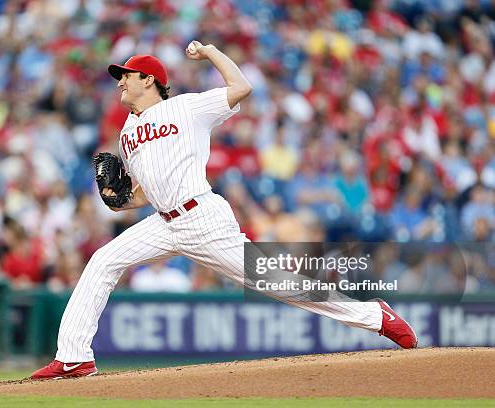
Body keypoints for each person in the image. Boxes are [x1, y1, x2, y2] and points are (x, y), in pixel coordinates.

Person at [31, 41, 418, 380]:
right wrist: (118, 199)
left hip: (203, 217)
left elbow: (242, 87)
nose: (120, 82)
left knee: (276, 283)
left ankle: (374, 316)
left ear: (149, 79)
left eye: (127, 75)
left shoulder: (188, 108)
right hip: (163, 222)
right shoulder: (127, 133)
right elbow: (143, 193)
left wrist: (210, 52)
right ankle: (74, 358)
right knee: (103, 261)